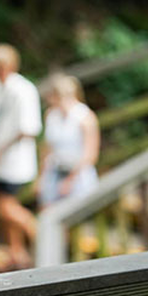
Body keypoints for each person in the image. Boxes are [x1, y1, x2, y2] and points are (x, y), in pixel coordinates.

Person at [0, 43, 42, 269]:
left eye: (3, 65)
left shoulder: (24, 89)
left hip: (15, 160)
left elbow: (29, 128)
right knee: (1, 206)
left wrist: (4, 147)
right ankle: (17, 252)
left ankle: (41, 234)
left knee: (7, 206)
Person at [36, 73, 100, 209]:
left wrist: (70, 180)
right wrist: (41, 177)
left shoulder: (85, 117)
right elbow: (47, 148)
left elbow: (91, 155)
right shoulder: (51, 115)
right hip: (54, 172)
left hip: (78, 175)